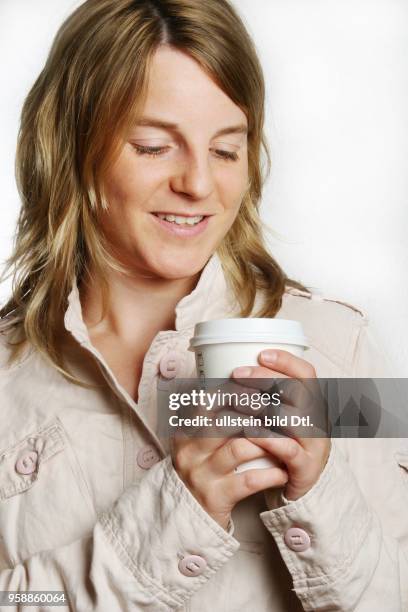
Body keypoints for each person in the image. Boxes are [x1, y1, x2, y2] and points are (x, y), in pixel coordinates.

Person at [0, 0, 406, 610]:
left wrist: (319, 493)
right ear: (74, 152)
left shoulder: (340, 345)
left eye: (224, 150)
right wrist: (174, 516)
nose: (197, 184)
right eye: (153, 146)